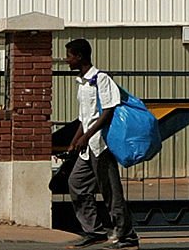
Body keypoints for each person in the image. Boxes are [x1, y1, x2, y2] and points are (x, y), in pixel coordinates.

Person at [64, 38, 140, 249]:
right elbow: (84, 117)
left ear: (79, 57)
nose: (67, 60)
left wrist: (86, 137)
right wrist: (75, 140)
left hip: (102, 144)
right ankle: (94, 231)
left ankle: (127, 235)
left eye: (69, 56)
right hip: (87, 147)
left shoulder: (101, 79)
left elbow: (108, 110)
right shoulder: (82, 83)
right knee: (77, 184)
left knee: (111, 191)